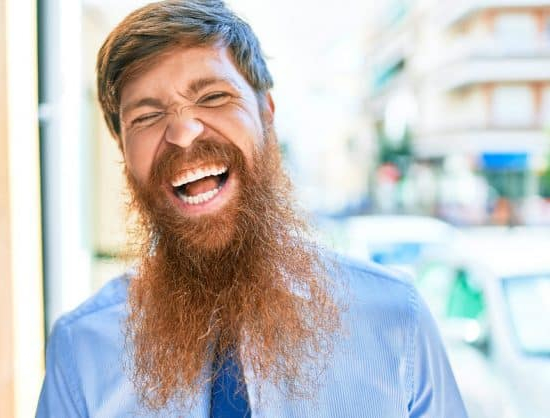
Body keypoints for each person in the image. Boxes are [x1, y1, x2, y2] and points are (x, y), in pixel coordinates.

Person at [36, 1, 467, 417]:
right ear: (124, 155)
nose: (183, 133)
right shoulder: (81, 350)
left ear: (267, 115)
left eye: (213, 96)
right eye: (146, 117)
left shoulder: (396, 320)